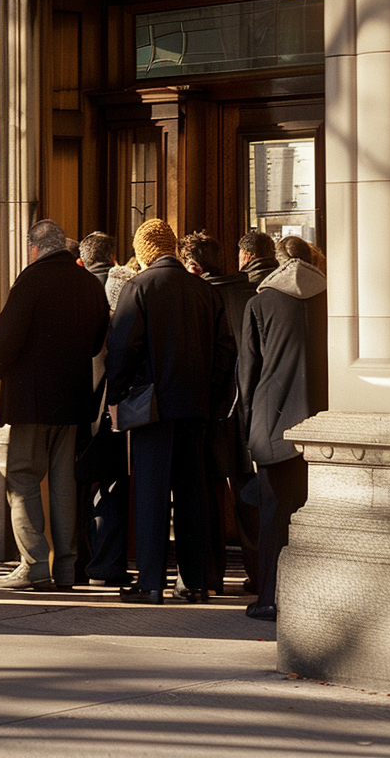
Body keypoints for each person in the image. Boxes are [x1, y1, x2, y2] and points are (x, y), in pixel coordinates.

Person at [106, 219, 236, 605]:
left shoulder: (139, 287)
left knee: (151, 493)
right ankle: (194, 582)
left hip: (151, 408)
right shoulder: (204, 291)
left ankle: (150, 581)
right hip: (194, 406)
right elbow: (225, 353)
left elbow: (122, 349)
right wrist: (210, 398)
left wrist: (117, 396)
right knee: (192, 493)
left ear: (144, 252)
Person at [0, 219, 110, 591]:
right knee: (63, 483)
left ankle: (35, 565)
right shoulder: (87, 282)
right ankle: (67, 567)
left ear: (34, 248)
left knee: (22, 479)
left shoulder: (30, 280)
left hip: (31, 401)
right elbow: (94, 343)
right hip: (72, 399)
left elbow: (4, 343)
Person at [238, 234, 328, 620]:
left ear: (277, 262)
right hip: (326, 425)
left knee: (274, 516)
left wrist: (246, 427)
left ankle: (270, 597)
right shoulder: (332, 298)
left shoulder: (261, 302)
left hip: (274, 423)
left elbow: (248, 374)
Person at [179, 230, 259, 596]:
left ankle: (209, 576)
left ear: (192, 265)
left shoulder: (201, 298)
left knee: (207, 497)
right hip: (251, 408)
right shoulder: (252, 293)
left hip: (214, 410)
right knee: (250, 496)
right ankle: (260, 575)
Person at [76, 231, 132, 586]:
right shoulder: (124, 287)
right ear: (113, 257)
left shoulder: (75, 291)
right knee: (112, 485)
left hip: (80, 402)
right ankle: (107, 563)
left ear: (82, 260)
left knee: (79, 486)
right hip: (115, 401)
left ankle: (81, 560)